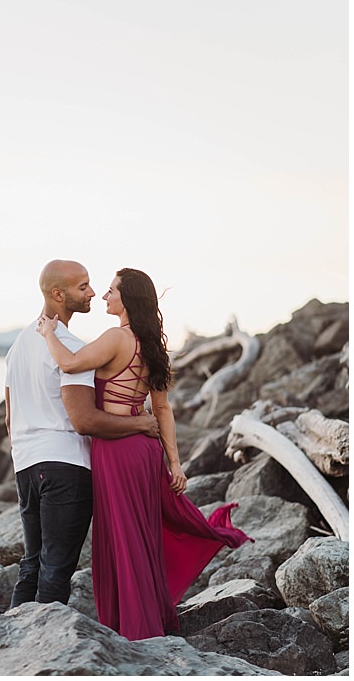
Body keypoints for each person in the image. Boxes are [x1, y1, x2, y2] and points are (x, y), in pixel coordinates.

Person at [38, 267, 251, 640]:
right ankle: (144, 621)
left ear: (127, 298)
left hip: (117, 451)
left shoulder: (116, 338)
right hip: (144, 451)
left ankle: (135, 629)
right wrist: (174, 462)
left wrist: (49, 333)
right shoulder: (150, 344)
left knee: (123, 539)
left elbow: (69, 363)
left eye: (111, 291)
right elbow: (163, 409)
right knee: (140, 536)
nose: (104, 296)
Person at [5, 260, 160, 610]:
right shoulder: (70, 347)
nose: (91, 293)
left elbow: (9, 416)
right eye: (82, 287)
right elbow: (85, 420)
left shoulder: (19, 343)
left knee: (32, 562)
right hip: (65, 466)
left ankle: (12, 642)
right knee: (56, 567)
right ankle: (43, 648)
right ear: (58, 294)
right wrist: (140, 424)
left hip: (26, 463)